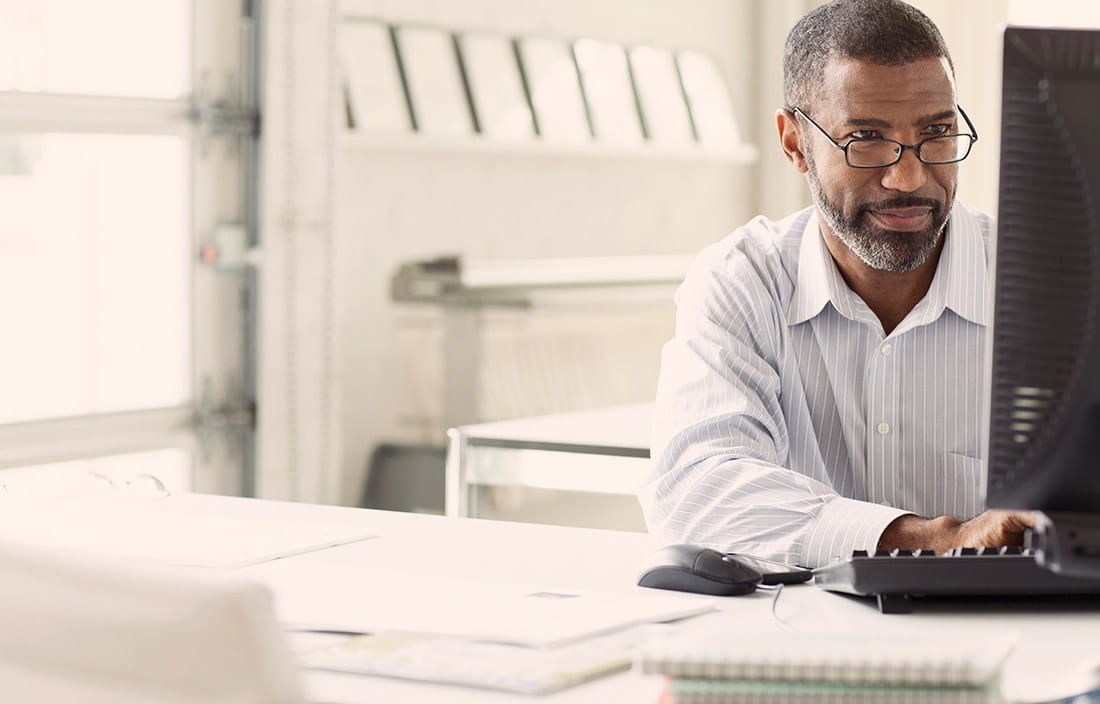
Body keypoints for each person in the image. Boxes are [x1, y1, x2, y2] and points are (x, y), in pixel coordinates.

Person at [640, 0, 1034, 568]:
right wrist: (932, 539)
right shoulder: (743, 281)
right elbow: (697, 491)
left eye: (938, 132)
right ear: (795, 143)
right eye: (867, 138)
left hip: (1017, 639)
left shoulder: (1042, 281)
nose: (909, 177)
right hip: (796, 640)